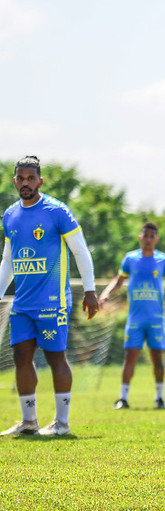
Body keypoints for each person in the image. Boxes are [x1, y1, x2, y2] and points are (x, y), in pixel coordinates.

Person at [0, 155, 99, 436]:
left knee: (56, 359)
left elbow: (80, 250)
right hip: (22, 303)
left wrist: (90, 290)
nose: (26, 183)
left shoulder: (57, 211)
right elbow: (8, 260)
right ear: (15, 181)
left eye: (31, 178)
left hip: (52, 301)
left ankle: (62, 423)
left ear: (40, 181)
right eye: (21, 178)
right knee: (21, 357)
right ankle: (28, 421)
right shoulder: (10, 215)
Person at [99, 222, 165, 410]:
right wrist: (106, 293)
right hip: (135, 319)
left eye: (152, 236)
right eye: (146, 236)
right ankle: (123, 398)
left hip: (156, 320)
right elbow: (118, 281)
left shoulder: (163, 261)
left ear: (156, 239)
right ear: (140, 237)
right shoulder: (130, 258)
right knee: (130, 357)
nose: (149, 239)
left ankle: (159, 398)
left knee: (157, 359)